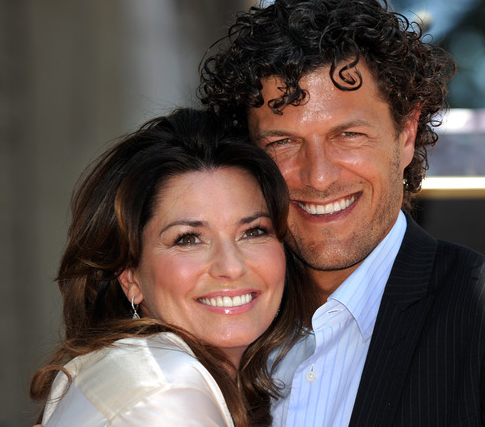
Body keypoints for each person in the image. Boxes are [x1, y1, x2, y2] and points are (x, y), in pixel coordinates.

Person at [199, 0, 485, 426]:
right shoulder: (223, 311)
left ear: (406, 133)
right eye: (283, 142)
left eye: (348, 135)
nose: (317, 176)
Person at [30, 108, 317, 426]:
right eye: (189, 239)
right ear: (130, 276)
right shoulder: (163, 387)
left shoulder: (131, 373)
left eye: (253, 231)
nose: (231, 266)